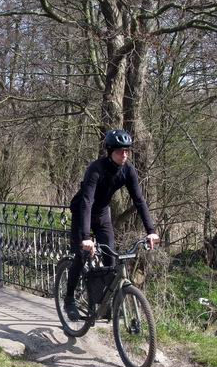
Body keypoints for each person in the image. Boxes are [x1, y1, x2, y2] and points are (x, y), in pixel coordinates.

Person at [64, 129, 160, 321]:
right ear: (109, 151)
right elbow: (87, 202)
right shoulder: (96, 169)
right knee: (81, 255)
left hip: (102, 214)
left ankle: (105, 305)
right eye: (119, 151)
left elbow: (139, 201)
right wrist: (85, 237)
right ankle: (69, 300)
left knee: (111, 261)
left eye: (127, 151)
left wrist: (151, 231)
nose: (124, 154)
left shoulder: (128, 170)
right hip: (83, 211)